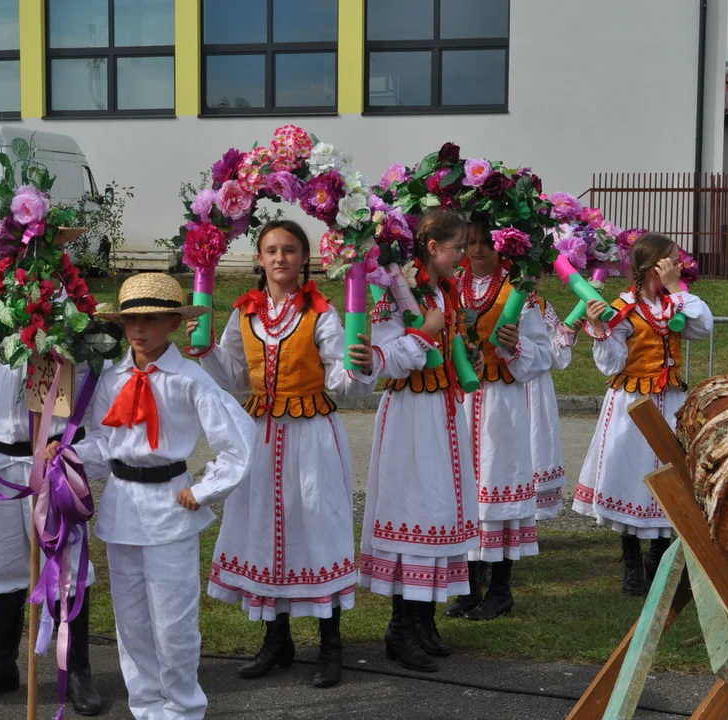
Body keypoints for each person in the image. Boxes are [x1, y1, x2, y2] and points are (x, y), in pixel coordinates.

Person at [44, 273, 255, 720]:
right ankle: (145, 705)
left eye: (151, 320)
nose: (138, 330)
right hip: (123, 507)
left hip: (169, 507)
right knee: (133, 622)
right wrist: (67, 457)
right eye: (130, 321)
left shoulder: (189, 379)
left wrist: (204, 488)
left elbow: (238, 441)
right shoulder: (112, 377)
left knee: (173, 621)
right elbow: (104, 442)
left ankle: (181, 708)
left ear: (174, 323)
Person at [185, 220, 377, 689]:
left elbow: (343, 383)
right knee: (264, 527)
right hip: (261, 435)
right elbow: (233, 375)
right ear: (258, 259)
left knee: (316, 524)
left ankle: (330, 643)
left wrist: (358, 367)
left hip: (311, 434)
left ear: (305, 258)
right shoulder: (244, 313)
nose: (279, 258)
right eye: (270, 250)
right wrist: (205, 346)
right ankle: (277, 640)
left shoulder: (321, 313)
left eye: (289, 250)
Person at [0, 350, 104, 714]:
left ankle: (76, 670)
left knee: (65, 563)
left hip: (55, 460)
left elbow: (101, 392)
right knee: (2, 562)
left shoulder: (75, 328)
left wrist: (78, 453)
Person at [363, 210, 482, 673]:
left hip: (442, 411)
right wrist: (427, 331)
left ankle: (424, 618)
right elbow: (385, 359)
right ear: (432, 247)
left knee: (438, 509)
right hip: (411, 413)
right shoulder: (396, 290)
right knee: (413, 508)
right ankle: (400, 627)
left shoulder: (440, 291)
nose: (464, 254)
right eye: (457, 246)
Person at [572, 233, 714, 595]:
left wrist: (676, 289)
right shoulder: (624, 307)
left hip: (669, 402)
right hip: (632, 403)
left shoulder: (675, 302)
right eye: (671, 260)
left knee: (670, 473)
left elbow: (703, 326)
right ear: (654, 267)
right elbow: (612, 364)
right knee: (630, 472)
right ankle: (632, 559)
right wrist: (601, 331)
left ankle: (658, 554)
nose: (678, 265)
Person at [452, 219, 552, 622]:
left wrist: (517, 345)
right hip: (460, 400)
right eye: (470, 242)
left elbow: (543, 356)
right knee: (466, 489)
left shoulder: (519, 291)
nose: (476, 251)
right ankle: (469, 584)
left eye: (484, 243)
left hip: (502, 402)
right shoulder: (448, 288)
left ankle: (501, 588)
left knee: (500, 486)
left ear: (500, 248)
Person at [529, 289, 581, 521]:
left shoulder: (541, 306)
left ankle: (529, 517)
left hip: (535, 387)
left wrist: (565, 337)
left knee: (535, 440)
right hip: (500, 383)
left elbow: (557, 358)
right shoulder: (494, 299)